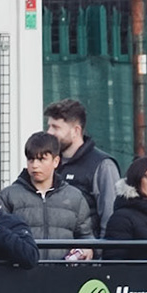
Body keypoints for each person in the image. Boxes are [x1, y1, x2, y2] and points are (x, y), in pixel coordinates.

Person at [0, 133, 95, 262]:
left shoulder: (75, 197)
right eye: (31, 159)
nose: (35, 165)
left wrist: (87, 249)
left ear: (56, 161)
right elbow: (1, 237)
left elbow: (86, 236)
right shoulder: (8, 196)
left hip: (63, 271)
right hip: (21, 270)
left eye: (41, 159)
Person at [44, 99, 122, 234]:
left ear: (76, 131)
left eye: (56, 127)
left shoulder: (103, 165)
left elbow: (110, 218)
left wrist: (101, 246)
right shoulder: (48, 163)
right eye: (49, 126)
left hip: (88, 245)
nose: (49, 132)